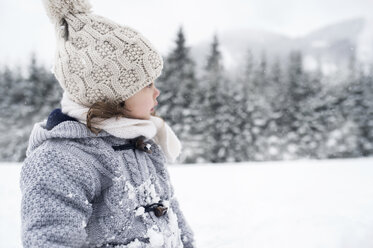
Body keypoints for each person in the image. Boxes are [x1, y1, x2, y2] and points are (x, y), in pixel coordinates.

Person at [19, 0, 196, 247]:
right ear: (113, 94)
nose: (157, 93)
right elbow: (50, 239)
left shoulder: (142, 142)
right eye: (147, 84)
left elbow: (171, 214)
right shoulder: (59, 160)